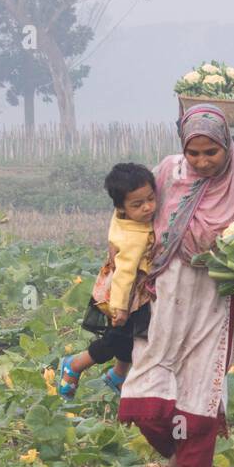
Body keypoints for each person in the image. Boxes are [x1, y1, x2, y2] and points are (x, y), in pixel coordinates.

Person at [116, 105, 234, 467]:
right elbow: (133, 220)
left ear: (226, 145)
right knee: (143, 403)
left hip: (210, 303)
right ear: (182, 149)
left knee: (199, 416)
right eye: (195, 153)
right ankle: (175, 453)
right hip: (164, 297)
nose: (203, 162)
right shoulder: (167, 173)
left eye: (212, 152)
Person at [57, 163, 157, 398]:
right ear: (122, 206)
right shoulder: (133, 237)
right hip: (126, 293)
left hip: (135, 290)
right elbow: (125, 273)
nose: (147, 207)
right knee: (117, 336)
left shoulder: (124, 217)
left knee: (136, 334)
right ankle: (75, 364)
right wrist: (120, 308)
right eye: (138, 204)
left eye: (151, 199)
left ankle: (118, 375)